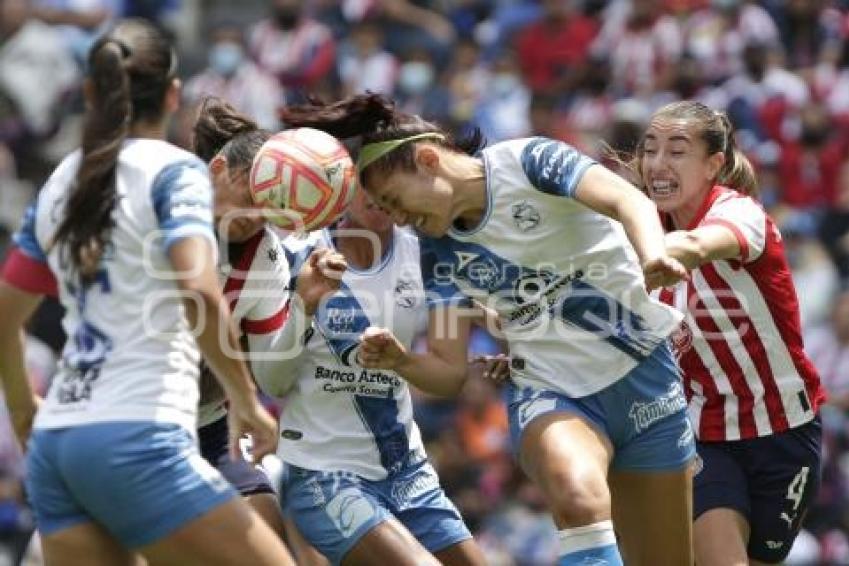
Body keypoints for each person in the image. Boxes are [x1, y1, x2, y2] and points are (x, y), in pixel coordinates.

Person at [279, 92, 695, 565]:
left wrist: (653, 252)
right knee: (578, 498)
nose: (397, 219)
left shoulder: (531, 161)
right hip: (552, 390)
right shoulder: (434, 248)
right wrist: (401, 361)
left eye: (394, 200)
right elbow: (450, 372)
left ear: (428, 158)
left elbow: (625, 198)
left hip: (646, 377)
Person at [0, 20, 294, 565]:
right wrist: (247, 401)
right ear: (173, 93)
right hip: (137, 435)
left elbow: (4, 316)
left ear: (90, 93)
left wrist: (23, 410)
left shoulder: (65, 179)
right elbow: (200, 294)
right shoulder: (177, 172)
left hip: (61, 445)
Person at [634, 100, 826, 565]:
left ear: (713, 164)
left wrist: (622, 253)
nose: (657, 165)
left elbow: (697, 246)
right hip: (702, 434)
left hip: (786, 432)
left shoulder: (740, 214)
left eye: (677, 152)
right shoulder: (638, 230)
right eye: (649, 150)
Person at [255, 187, 487, 566]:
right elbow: (273, 383)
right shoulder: (295, 255)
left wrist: (402, 361)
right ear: (345, 185)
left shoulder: (427, 256)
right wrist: (304, 306)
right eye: (368, 179)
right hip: (324, 474)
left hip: (407, 472)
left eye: (388, 180)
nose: (381, 193)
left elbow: (449, 379)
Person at [191, 96, 331, 566]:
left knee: (268, 529)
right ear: (216, 171)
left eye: (269, 207)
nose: (256, 216)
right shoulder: (162, 221)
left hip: (211, 430)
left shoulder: (266, 257)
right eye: (250, 199)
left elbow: (274, 378)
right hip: (137, 423)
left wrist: (303, 307)